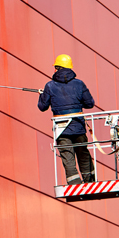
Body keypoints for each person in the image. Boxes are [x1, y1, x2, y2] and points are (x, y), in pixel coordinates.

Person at [38, 54, 96, 185]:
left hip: (61, 128)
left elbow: (42, 107)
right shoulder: (79, 84)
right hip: (78, 126)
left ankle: (74, 184)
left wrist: (42, 95)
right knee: (83, 153)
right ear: (70, 68)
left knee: (67, 155)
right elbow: (90, 104)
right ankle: (90, 181)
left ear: (57, 68)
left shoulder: (50, 86)